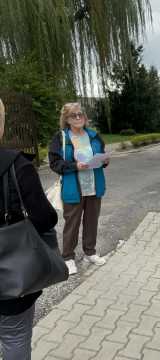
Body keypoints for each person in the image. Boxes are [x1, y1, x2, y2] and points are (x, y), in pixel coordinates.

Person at [0, 98, 58, 359]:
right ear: (2, 124)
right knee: (14, 338)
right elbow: (45, 218)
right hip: (14, 281)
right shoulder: (17, 166)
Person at [48, 102, 109, 275]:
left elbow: (102, 153)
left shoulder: (93, 135)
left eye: (80, 114)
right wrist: (75, 166)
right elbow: (55, 163)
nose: (78, 117)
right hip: (73, 188)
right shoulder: (61, 137)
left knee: (92, 221)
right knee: (72, 224)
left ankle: (90, 252)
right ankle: (67, 257)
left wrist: (104, 161)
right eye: (73, 115)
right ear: (66, 119)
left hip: (94, 185)